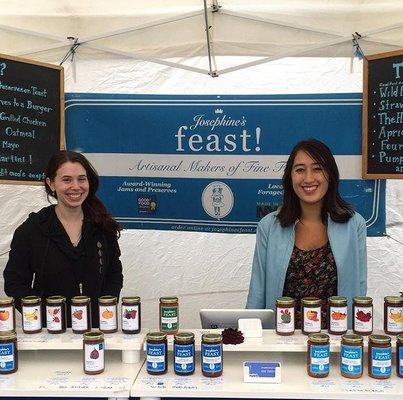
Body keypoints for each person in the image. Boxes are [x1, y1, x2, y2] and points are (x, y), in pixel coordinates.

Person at [246, 139, 367, 327]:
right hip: (282, 340)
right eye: (300, 169)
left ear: (331, 175)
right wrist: (248, 336)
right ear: (290, 177)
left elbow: (359, 289)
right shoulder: (268, 226)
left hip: (335, 340)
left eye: (317, 169)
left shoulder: (355, 224)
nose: (308, 178)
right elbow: (257, 292)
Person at [4, 150, 123, 327]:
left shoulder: (102, 226)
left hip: (95, 331)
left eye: (81, 179)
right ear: (51, 184)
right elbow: (15, 282)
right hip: (49, 335)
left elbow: (114, 275)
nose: (76, 186)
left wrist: (103, 312)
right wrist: (42, 316)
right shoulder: (32, 229)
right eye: (66, 180)